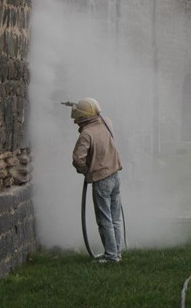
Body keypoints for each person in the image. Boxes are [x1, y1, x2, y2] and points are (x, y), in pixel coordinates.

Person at [70, 97, 123, 263]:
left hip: (101, 180)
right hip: (115, 176)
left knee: (104, 220)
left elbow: (78, 159)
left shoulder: (86, 134)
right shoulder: (107, 122)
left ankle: (111, 256)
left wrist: (86, 171)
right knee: (115, 218)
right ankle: (117, 253)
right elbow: (98, 115)